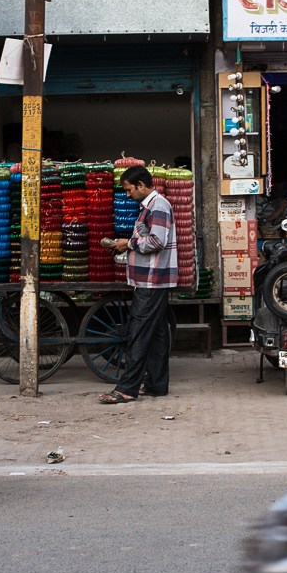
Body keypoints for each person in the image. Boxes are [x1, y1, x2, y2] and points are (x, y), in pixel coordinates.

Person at [98, 165, 177, 404]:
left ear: (141, 185)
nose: (128, 194)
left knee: (139, 333)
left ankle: (127, 388)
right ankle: (156, 385)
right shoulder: (148, 207)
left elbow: (157, 241)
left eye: (129, 189)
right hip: (150, 279)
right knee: (157, 334)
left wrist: (128, 243)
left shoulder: (158, 206)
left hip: (152, 281)